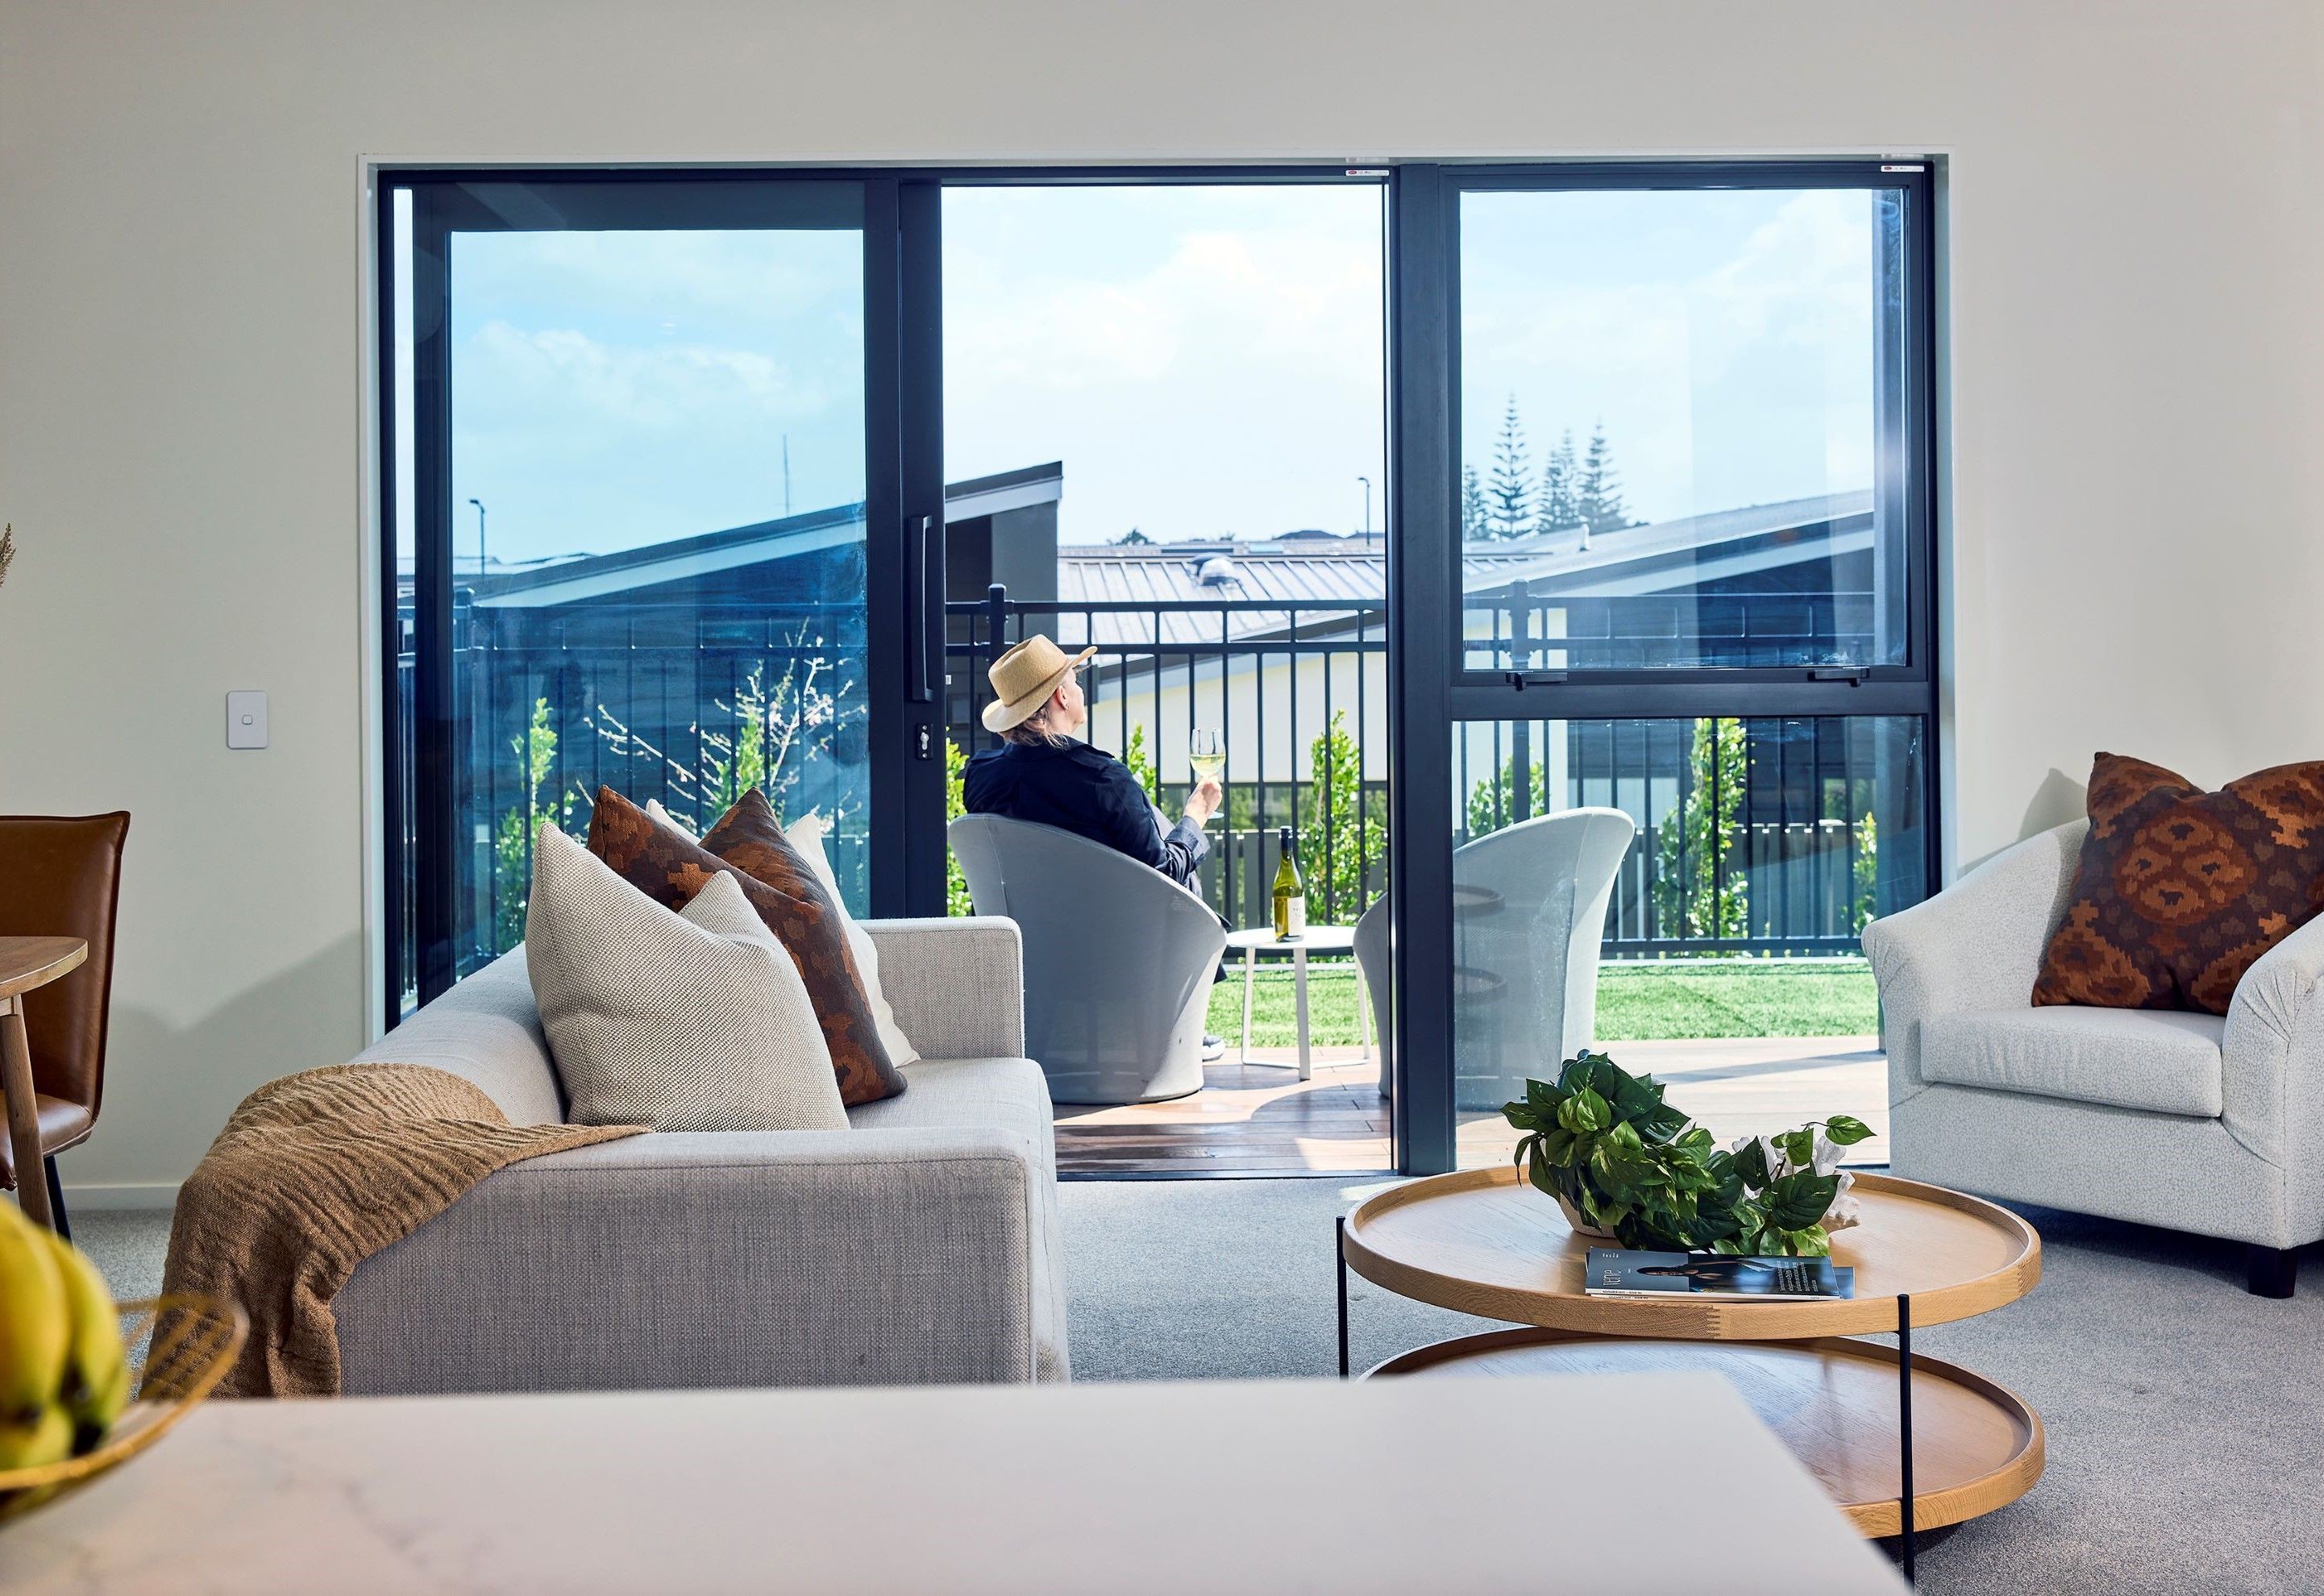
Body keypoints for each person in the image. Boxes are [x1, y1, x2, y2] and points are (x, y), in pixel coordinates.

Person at [963, 634, 1223, 888]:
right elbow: (1164, 877)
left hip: (1020, 928)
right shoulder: (1105, 780)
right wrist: (1195, 815)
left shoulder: (981, 777)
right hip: (1112, 930)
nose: (1080, 691)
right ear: (1062, 697)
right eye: (1075, 682)